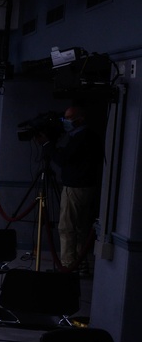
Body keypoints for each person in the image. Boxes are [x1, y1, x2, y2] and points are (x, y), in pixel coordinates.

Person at [43, 105, 104, 275]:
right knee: (80, 228)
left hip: (75, 188)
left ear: (80, 119)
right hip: (87, 187)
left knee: (67, 227)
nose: (66, 122)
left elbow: (63, 160)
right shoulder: (89, 136)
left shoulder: (81, 138)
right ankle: (80, 265)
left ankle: (68, 267)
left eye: (69, 118)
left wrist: (48, 145)